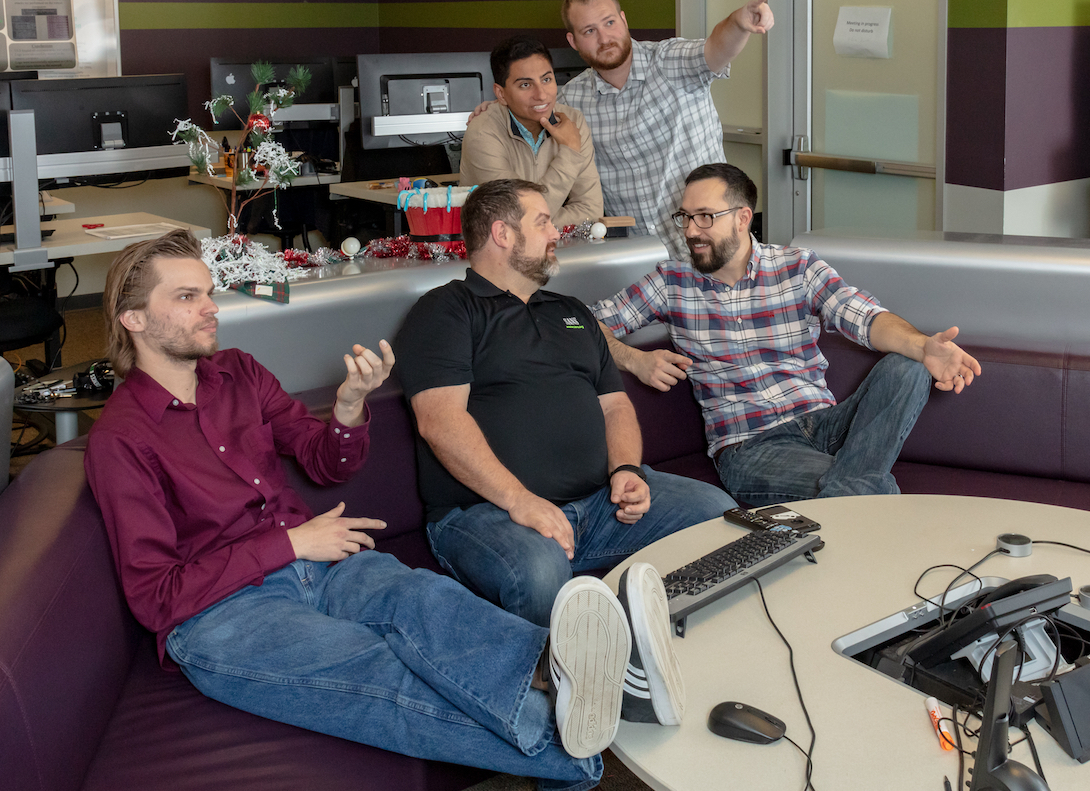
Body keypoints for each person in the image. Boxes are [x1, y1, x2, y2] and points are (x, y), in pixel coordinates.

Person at [83, 228, 685, 789]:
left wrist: (348, 406)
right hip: (222, 612)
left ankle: (575, 671)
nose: (211, 307)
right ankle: (575, 739)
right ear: (134, 319)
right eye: (187, 297)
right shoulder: (121, 440)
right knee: (378, 672)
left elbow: (326, 464)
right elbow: (156, 597)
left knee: (426, 601)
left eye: (208, 293)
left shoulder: (238, 372)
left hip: (321, 563)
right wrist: (289, 544)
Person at [395, 179, 735, 679]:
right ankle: (574, 689)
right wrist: (519, 499)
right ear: (502, 234)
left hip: (598, 505)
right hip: (488, 513)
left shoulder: (571, 312)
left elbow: (615, 407)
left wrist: (626, 470)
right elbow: (440, 421)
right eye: (543, 222)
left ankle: (679, 660)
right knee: (538, 572)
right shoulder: (446, 310)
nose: (557, 232)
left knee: (718, 517)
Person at [591, 163, 982, 507]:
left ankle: (858, 494)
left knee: (909, 366)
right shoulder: (670, 283)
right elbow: (581, 324)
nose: (691, 230)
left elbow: (863, 316)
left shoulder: (798, 266)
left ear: (742, 218)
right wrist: (633, 359)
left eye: (705, 217)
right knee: (862, 487)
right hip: (751, 449)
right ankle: (863, 493)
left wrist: (923, 347)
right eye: (686, 217)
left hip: (826, 423)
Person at [557, 0, 774, 259]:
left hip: (716, 249)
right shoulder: (571, 100)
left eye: (609, 22)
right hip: (641, 262)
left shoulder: (668, 60)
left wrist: (738, 23)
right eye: (589, 30)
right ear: (573, 41)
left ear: (624, 20)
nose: (604, 37)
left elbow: (716, 48)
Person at [460, 35, 603, 228]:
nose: (541, 95)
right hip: (496, 247)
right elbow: (517, 216)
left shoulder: (573, 121)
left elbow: (591, 210)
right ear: (501, 94)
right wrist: (569, 151)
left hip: (560, 244)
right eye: (525, 85)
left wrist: (537, 222)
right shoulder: (483, 133)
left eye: (546, 79)